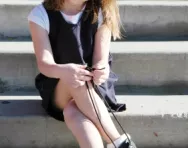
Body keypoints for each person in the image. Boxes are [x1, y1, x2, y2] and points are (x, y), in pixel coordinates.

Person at [28, 0, 136, 147]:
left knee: (72, 112)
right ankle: (117, 141)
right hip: (59, 88)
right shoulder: (41, 14)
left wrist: (101, 70)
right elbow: (45, 64)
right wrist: (64, 71)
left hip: (94, 89)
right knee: (75, 79)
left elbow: (101, 60)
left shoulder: (100, 12)